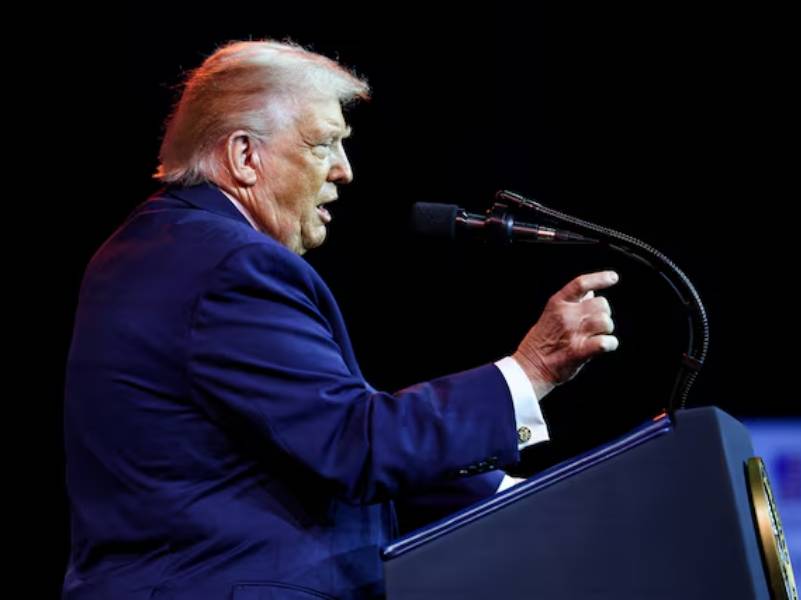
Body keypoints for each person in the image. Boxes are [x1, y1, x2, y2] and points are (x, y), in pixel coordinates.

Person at [63, 40, 618, 600]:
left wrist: (516, 496)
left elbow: (303, 444)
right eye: (323, 144)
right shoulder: (230, 265)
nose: (344, 171)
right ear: (244, 156)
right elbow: (353, 447)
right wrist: (532, 369)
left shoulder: (155, 246)